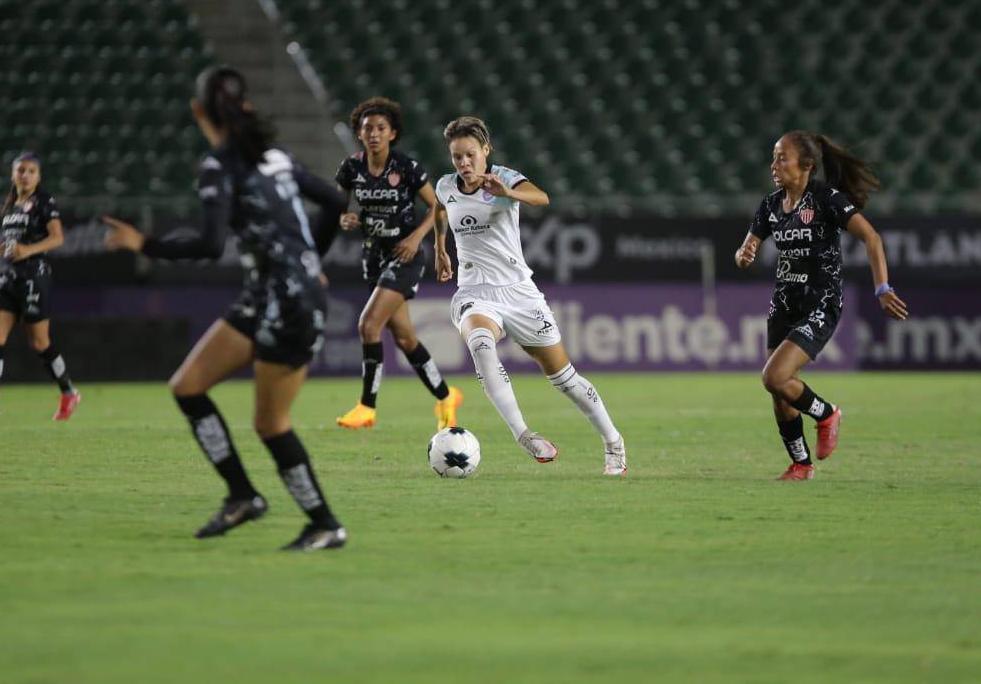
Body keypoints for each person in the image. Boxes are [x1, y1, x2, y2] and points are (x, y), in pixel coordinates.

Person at [103, 65, 349, 551]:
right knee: (188, 387)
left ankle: (325, 524)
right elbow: (333, 200)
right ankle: (242, 495)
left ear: (198, 112)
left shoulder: (219, 168)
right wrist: (308, 259)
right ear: (244, 107)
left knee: (270, 425)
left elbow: (212, 244)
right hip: (268, 295)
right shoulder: (276, 158)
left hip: (289, 302)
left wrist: (145, 245)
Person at [432, 116, 627, 475]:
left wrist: (508, 194)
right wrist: (439, 248)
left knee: (565, 378)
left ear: (486, 151)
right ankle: (523, 434)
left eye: (470, 155)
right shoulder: (446, 185)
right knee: (480, 343)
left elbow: (541, 197)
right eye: (457, 157)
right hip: (475, 290)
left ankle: (614, 442)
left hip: (519, 292)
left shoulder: (504, 178)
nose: (464, 164)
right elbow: (440, 209)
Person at [735, 131, 909, 481]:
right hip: (783, 304)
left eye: (782, 157)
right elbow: (743, 252)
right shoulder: (770, 205)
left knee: (774, 376)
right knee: (779, 393)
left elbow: (871, 237)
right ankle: (801, 464)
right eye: (774, 156)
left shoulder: (827, 199)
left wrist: (882, 287)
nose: (774, 164)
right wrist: (744, 254)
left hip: (821, 303)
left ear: (807, 164)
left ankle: (827, 413)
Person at [332, 97, 463, 430]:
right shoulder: (351, 168)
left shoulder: (406, 167)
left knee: (368, 325)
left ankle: (367, 406)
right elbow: (334, 206)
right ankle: (446, 396)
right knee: (404, 338)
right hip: (374, 256)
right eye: (367, 129)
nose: (373, 134)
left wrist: (417, 238)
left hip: (404, 256)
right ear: (359, 134)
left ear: (392, 134)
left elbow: (439, 206)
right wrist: (343, 217)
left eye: (380, 128)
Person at [0, 152, 81, 421]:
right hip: (10, 275)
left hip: (35, 276)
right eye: (20, 171)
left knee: (40, 342)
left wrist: (29, 250)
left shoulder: (44, 202)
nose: (25, 175)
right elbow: (13, 241)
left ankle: (69, 393)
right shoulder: (13, 204)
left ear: (38, 176)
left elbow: (57, 238)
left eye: (30, 171)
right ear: (13, 174)